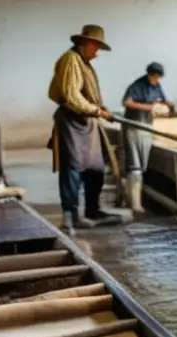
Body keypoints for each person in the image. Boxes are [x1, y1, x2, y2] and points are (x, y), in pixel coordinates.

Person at [46, 24, 123, 231]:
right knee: (73, 169)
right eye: (95, 45)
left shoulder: (85, 62)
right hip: (72, 122)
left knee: (95, 169)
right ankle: (70, 217)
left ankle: (93, 210)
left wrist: (100, 108)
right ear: (84, 42)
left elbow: (87, 95)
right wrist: (97, 111)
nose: (96, 50)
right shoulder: (71, 60)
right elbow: (72, 96)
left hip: (86, 123)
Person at [120, 62, 176, 214]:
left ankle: (133, 199)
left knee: (142, 167)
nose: (157, 80)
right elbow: (126, 102)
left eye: (159, 78)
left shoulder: (156, 86)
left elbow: (162, 99)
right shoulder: (137, 85)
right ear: (149, 74)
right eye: (155, 77)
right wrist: (149, 107)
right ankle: (135, 205)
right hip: (133, 127)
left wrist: (170, 106)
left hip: (146, 128)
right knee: (134, 167)